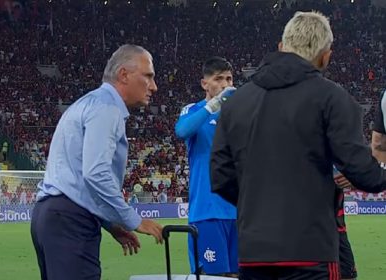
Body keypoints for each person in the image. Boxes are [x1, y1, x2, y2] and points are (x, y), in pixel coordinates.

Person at [210, 11, 386, 280]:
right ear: (326, 55)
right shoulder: (333, 99)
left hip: (254, 252)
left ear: (282, 47)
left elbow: (221, 177)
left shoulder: (235, 102)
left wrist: (259, 205)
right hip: (311, 250)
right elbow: (365, 173)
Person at [31, 44, 163, 280]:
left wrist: (111, 225)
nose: (154, 86)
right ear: (124, 75)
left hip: (51, 216)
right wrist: (133, 220)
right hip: (70, 220)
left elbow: (80, 177)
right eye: (148, 76)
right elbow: (95, 173)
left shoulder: (88, 102)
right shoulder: (107, 108)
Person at [175, 56, 237, 277]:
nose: (225, 84)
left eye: (229, 79)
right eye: (218, 78)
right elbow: (182, 131)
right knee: (213, 277)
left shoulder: (241, 113)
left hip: (240, 213)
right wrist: (214, 105)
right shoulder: (194, 110)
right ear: (205, 84)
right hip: (208, 210)